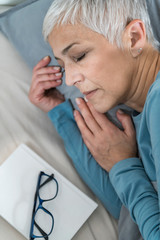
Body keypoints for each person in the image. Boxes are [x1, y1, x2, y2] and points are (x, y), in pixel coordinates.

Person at [29, 0, 160, 239]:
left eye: (78, 56)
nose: (69, 80)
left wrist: (123, 166)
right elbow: (128, 215)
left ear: (134, 37)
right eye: (62, 66)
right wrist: (59, 110)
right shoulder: (138, 115)